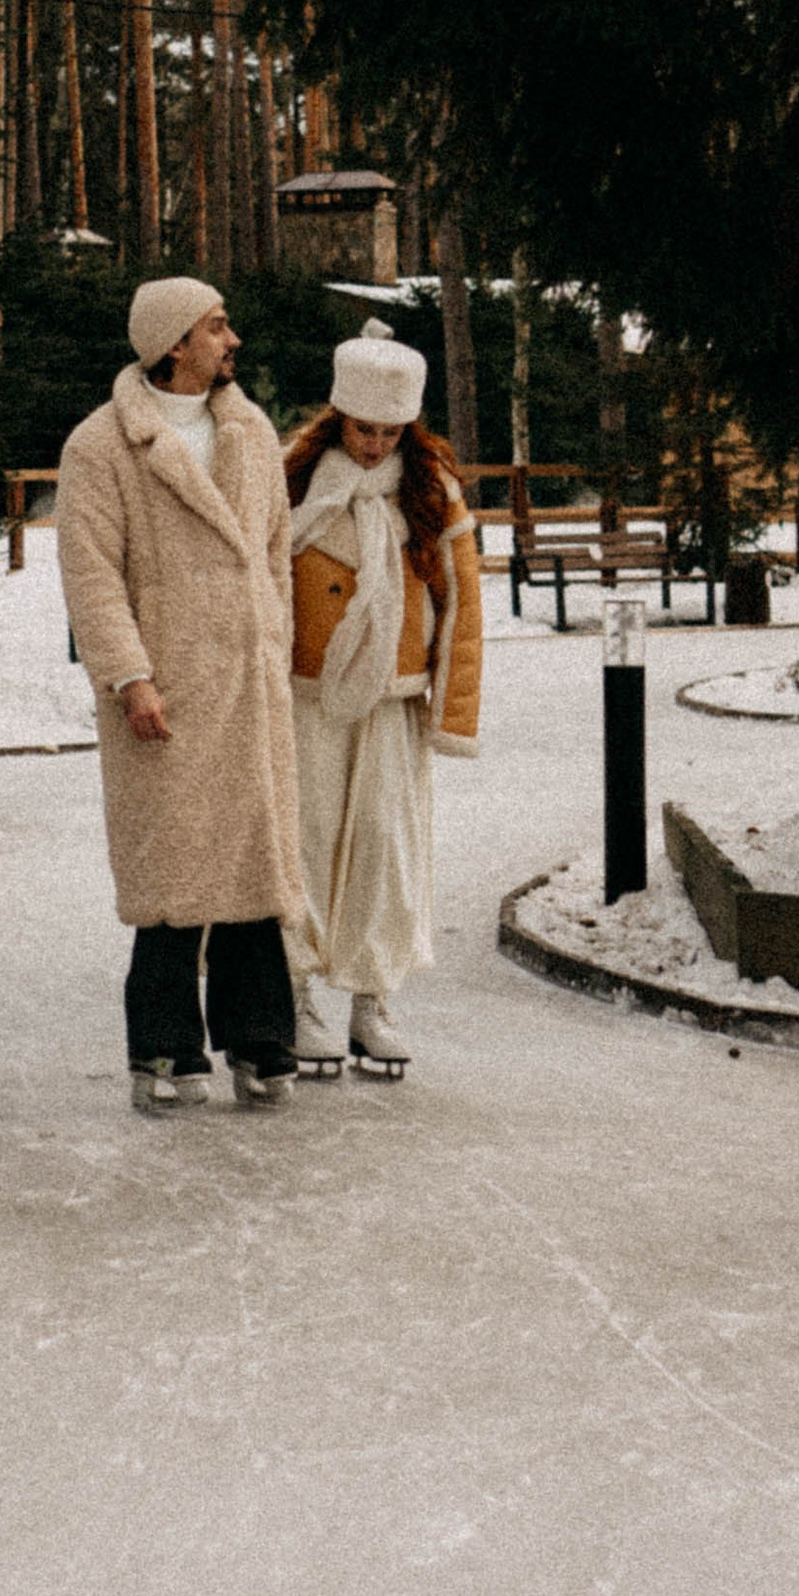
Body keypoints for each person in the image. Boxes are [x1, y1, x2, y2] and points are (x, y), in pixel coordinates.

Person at [57, 277, 305, 1114]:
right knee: (172, 872)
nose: (231, 340)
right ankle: (164, 1048)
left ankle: (261, 1037)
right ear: (173, 345)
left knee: (250, 862)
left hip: (246, 683)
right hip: (163, 693)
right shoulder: (103, 447)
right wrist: (130, 678)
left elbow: (274, 556)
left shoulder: (251, 429)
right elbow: (92, 578)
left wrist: (273, 644)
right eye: (215, 326)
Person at [283, 320, 484, 1078]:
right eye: (363, 429)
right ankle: (298, 989)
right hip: (306, 692)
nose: (374, 445)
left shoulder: (434, 494)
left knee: (383, 845)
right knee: (306, 837)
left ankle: (371, 999)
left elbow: (462, 608)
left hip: (393, 699)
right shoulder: (295, 482)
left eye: (390, 431)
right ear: (340, 417)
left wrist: (453, 712)